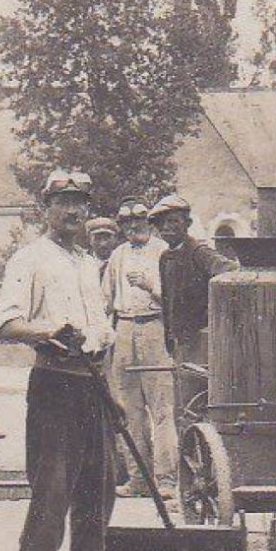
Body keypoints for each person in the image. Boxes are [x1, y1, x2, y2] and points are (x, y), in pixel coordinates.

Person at [0, 169, 145, 551]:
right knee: (53, 484)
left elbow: (102, 330)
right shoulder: (28, 260)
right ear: (45, 209)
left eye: (80, 202)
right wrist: (48, 330)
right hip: (54, 381)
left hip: (91, 382)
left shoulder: (86, 262)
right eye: (63, 203)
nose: (73, 211)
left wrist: (111, 385)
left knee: (98, 485)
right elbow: (6, 326)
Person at [102, 199, 178, 505]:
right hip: (124, 328)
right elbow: (106, 299)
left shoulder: (164, 252)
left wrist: (150, 286)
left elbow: (174, 299)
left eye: (140, 221)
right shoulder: (117, 256)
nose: (134, 227)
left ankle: (166, 479)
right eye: (127, 223)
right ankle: (138, 479)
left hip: (154, 327)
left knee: (162, 407)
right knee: (128, 408)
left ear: (150, 222)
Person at [149, 193, 237, 439]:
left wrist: (213, 314)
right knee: (182, 407)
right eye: (161, 224)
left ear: (186, 224)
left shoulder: (199, 251)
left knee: (193, 405)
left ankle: (203, 463)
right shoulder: (166, 257)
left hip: (201, 339)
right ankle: (191, 465)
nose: (167, 228)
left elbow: (229, 272)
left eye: (174, 222)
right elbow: (167, 301)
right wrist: (169, 338)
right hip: (179, 341)